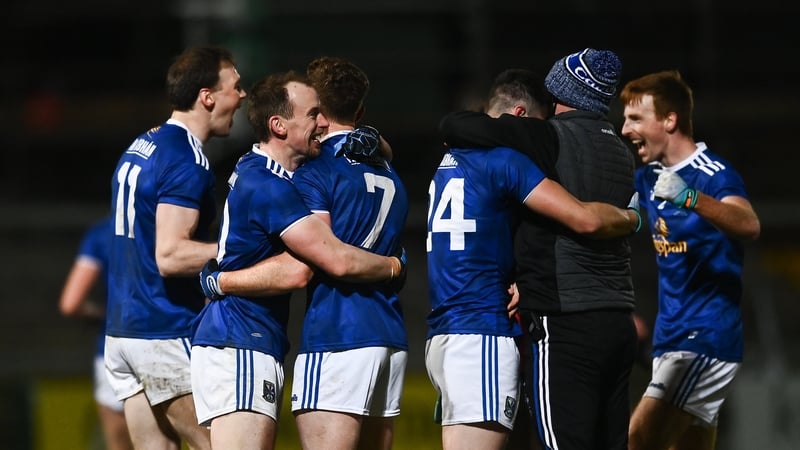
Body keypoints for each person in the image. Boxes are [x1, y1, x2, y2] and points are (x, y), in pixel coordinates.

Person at [427, 65, 641, 450]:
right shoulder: (510, 161)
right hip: (484, 330)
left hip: (441, 331)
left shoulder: (447, 163)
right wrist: (633, 217)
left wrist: (519, 275)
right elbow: (583, 218)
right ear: (521, 118)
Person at [190, 71, 406, 450]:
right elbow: (311, 266)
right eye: (312, 114)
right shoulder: (269, 185)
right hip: (239, 339)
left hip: (248, 340)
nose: (321, 123)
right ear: (278, 126)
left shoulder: (272, 173)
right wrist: (393, 266)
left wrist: (378, 144)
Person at [105, 45, 246, 450]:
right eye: (235, 86)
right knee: (221, 444)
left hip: (123, 332)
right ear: (208, 96)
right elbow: (170, 255)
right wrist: (237, 249)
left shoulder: (142, 144)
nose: (242, 95)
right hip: (162, 329)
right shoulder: (186, 158)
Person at [620, 70, 760, 450]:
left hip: (705, 338)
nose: (625, 129)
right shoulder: (647, 177)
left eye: (635, 119)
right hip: (670, 338)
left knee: (637, 440)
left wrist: (692, 199)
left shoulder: (711, 174)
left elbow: (749, 224)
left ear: (669, 120)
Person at [59, 215, 133, 450]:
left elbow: (71, 303)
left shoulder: (102, 233)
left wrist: (101, 313)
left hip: (113, 352)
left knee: (118, 444)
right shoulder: (176, 224)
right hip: (170, 344)